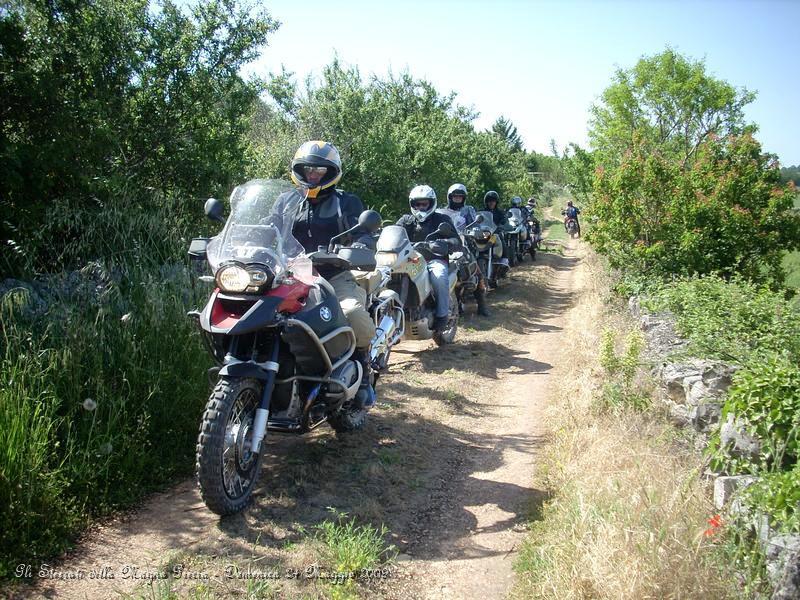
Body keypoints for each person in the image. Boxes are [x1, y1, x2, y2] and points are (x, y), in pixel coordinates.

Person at [273, 140, 376, 408]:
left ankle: (363, 369)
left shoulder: (347, 202)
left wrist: (360, 246)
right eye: (308, 169)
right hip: (287, 277)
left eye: (319, 170)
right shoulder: (286, 201)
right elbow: (265, 229)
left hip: (332, 277)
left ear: (331, 172)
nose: (312, 174)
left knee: (351, 313)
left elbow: (365, 234)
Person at [396, 185, 460, 331]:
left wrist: (445, 243)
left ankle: (442, 315)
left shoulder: (441, 219)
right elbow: (394, 233)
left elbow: (457, 241)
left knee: (439, 276)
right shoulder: (406, 220)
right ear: (413, 204)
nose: (421, 207)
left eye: (424, 203)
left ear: (431, 203)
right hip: (411, 260)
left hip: (434, 260)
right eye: (418, 204)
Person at [437, 183, 490, 317]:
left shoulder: (468, 210)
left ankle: (482, 304)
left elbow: (476, 224)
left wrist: (476, 231)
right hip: (446, 245)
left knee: (476, 269)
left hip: (464, 243)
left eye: (460, 197)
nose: (457, 199)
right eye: (455, 197)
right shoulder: (441, 212)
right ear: (450, 197)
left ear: (464, 198)